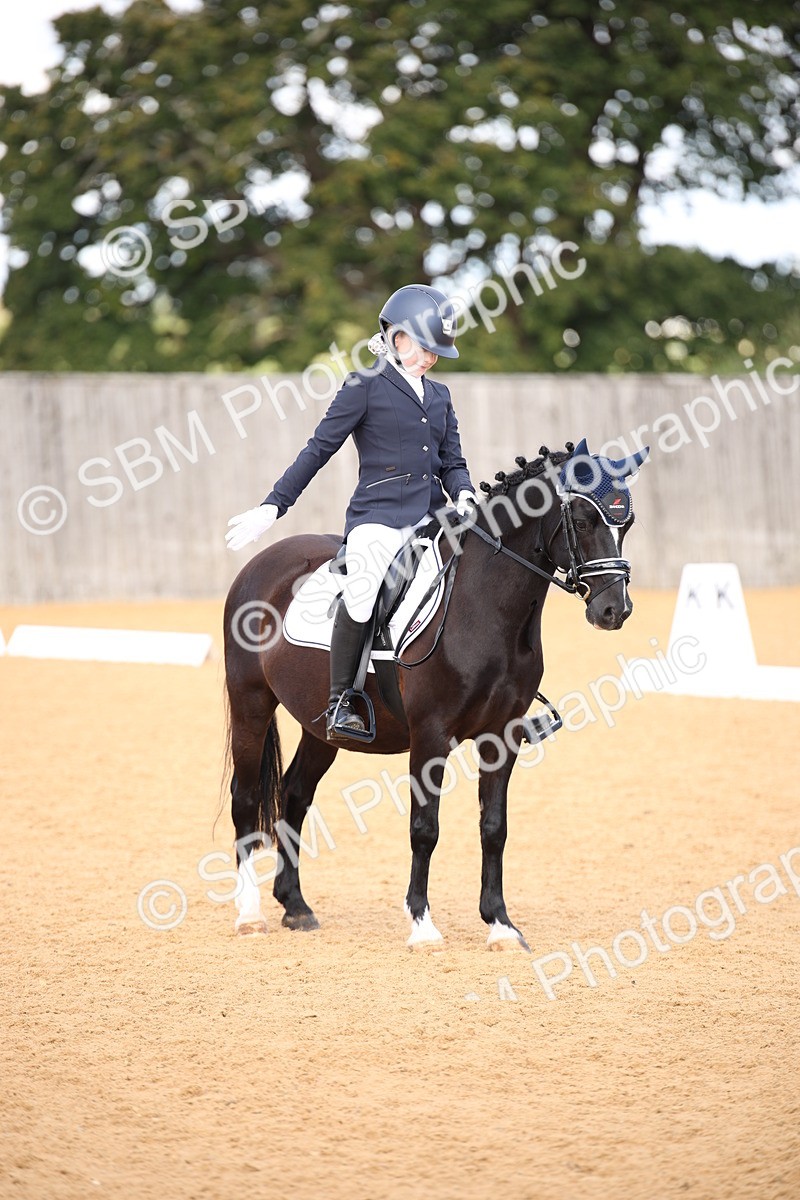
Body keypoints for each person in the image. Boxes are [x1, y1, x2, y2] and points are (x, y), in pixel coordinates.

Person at [226, 284, 478, 741]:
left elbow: (453, 462)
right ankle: (342, 698)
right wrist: (273, 505)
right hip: (379, 520)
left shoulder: (440, 396)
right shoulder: (365, 386)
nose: (431, 359)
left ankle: (491, 688)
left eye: (436, 353)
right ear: (398, 338)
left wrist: (464, 493)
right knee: (362, 589)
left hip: (432, 519)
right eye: (425, 348)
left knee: (479, 575)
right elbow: (318, 450)